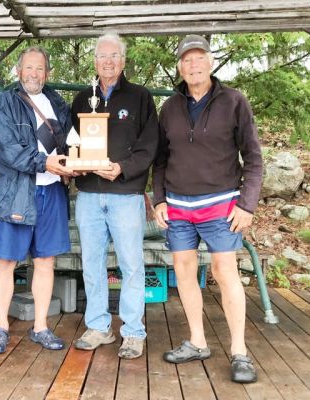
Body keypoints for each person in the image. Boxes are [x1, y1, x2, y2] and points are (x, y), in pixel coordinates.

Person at [153, 34, 262, 383]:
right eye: (186, 59)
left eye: (199, 58)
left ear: (210, 63)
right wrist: (158, 199)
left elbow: (255, 160)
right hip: (178, 205)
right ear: (180, 66)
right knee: (183, 270)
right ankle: (197, 341)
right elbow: (160, 160)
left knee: (224, 269)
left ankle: (239, 351)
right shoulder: (169, 107)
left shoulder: (234, 101)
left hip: (220, 204)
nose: (193, 65)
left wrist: (246, 204)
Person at [71, 33, 159, 359]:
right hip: (90, 196)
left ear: (123, 61)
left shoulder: (140, 97)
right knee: (91, 265)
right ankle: (98, 327)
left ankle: (133, 332)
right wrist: (75, 165)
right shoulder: (83, 99)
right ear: (94, 61)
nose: (107, 61)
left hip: (125, 195)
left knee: (131, 266)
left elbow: (150, 145)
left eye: (113, 56)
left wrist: (122, 168)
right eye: (101, 56)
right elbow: (73, 141)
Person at [0, 46, 74, 354]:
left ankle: (41, 327)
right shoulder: (3, 103)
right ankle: (0, 327)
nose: (34, 74)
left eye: (40, 69)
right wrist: (45, 163)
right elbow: (7, 149)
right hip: (15, 192)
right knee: (6, 262)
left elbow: (70, 143)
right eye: (29, 68)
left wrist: (74, 165)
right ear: (18, 71)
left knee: (46, 261)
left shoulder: (58, 103)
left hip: (52, 191)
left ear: (47, 74)